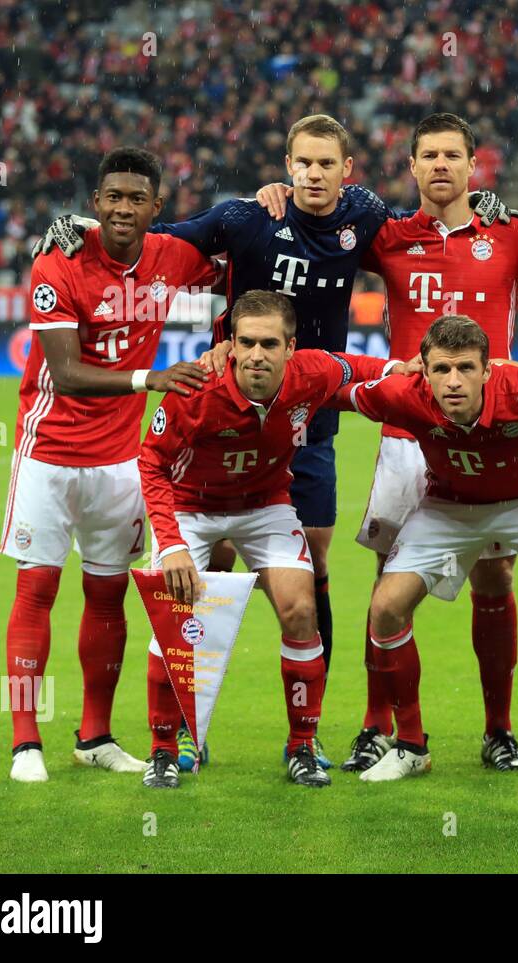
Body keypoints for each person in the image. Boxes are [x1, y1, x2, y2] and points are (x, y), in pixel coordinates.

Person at [33, 114, 515, 770]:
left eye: (326, 164)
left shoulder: (365, 215)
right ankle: (187, 730)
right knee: (210, 573)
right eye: (303, 164)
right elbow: (156, 240)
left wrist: (479, 208)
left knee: (312, 569)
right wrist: (85, 230)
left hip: (308, 415)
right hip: (225, 409)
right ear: (286, 168)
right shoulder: (243, 217)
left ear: (348, 171)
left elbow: (424, 222)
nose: (314, 175)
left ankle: (308, 732)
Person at [259, 112, 518, 774]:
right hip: (409, 431)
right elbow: (318, 219)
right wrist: (277, 195)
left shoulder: (511, 234)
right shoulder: (386, 238)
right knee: (388, 578)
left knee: (495, 574)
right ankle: (381, 727)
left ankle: (499, 731)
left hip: (492, 430)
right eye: (428, 155)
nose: (440, 165)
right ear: (411, 166)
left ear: (474, 165)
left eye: (452, 155)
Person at [333, 315, 518, 787]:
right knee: (386, 609)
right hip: (451, 506)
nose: (453, 382)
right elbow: (328, 383)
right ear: (424, 371)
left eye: (465, 369)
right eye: (441, 370)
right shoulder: (402, 396)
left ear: (487, 369)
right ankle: (412, 745)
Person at [2, 147, 218, 783]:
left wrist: (271, 194)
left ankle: (94, 735)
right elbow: (66, 374)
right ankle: (24, 743)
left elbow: (240, 249)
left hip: (122, 461)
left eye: (136, 199)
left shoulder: (174, 258)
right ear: (94, 204)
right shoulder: (58, 261)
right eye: (113, 197)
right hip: (48, 453)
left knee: (108, 592)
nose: (123, 208)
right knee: (36, 589)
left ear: (157, 208)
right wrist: (150, 377)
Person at [138, 291, 389, 789]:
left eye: (268, 344)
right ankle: (164, 747)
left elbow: (359, 366)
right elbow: (152, 463)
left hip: (265, 505)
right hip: (192, 507)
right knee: (174, 616)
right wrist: (172, 545)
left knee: (300, 608)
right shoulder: (196, 389)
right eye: (246, 342)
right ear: (230, 344)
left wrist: (402, 367)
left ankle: (301, 744)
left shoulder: (312, 372)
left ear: (290, 347)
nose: (256, 354)